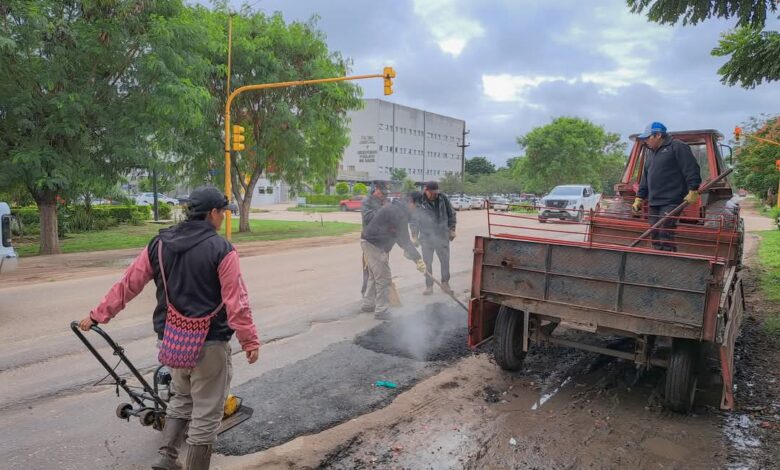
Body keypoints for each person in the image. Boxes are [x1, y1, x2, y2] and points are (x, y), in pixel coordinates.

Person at [78, 186, 260, 470]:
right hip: (209, 343)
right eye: (223, 213)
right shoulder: (222, 250)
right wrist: (249, 340)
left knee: (180, 399)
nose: (223, 218)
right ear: (213, 213)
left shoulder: (159, 244)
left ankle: (167, 458)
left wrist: (98, 315)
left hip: (172, 341)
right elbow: (237, 302)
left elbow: (129, 284)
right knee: (207, 414)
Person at [632, 122, 701, 252]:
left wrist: (693, 189)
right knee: (655, 231)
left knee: (665, 231)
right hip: (654, 200)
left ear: (658, 135)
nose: (645, 141)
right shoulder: (651, 154)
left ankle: (669, 261)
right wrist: (639, 198)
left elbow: (691, 168)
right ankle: (659, 259)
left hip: (672, 200)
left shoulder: (677, 147)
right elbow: (645, 179)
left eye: (648, 137)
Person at [361, 191, 427, 318]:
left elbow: (398, 237)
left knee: (374, 276)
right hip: (375, 244)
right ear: (411, 202)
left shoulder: (397, 208)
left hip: (369, 242)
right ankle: (381, 311)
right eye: (417, 206)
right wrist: (418, 259)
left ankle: (368, 304)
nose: (417, 210)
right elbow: (404, 240)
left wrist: (408, 250)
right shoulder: (399, 213)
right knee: (384, 279)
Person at [411, 181, 456, 295]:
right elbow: (414, 220)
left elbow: (452, 214)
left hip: (442, 235)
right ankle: (429, 286)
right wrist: (414, 236)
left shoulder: (443, 198)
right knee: (427, 262)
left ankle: (445, 283)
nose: (435, 195)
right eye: (432, 193)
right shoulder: (419, 201)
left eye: (436, 192)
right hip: (426, 237)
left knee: (445, 261)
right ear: (426, 190)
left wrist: (452, 229)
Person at [361, 181, 388, 295]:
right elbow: (367, 218)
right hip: (369, 240)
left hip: (382, 241)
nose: (383, 196)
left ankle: (379, 293)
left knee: (381, 269)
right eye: (382, 193)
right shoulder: (367, 201)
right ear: (376, 189)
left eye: (385, 194)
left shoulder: (384, 201)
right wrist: (383, 210)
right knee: (368, 269)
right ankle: (366, 293)